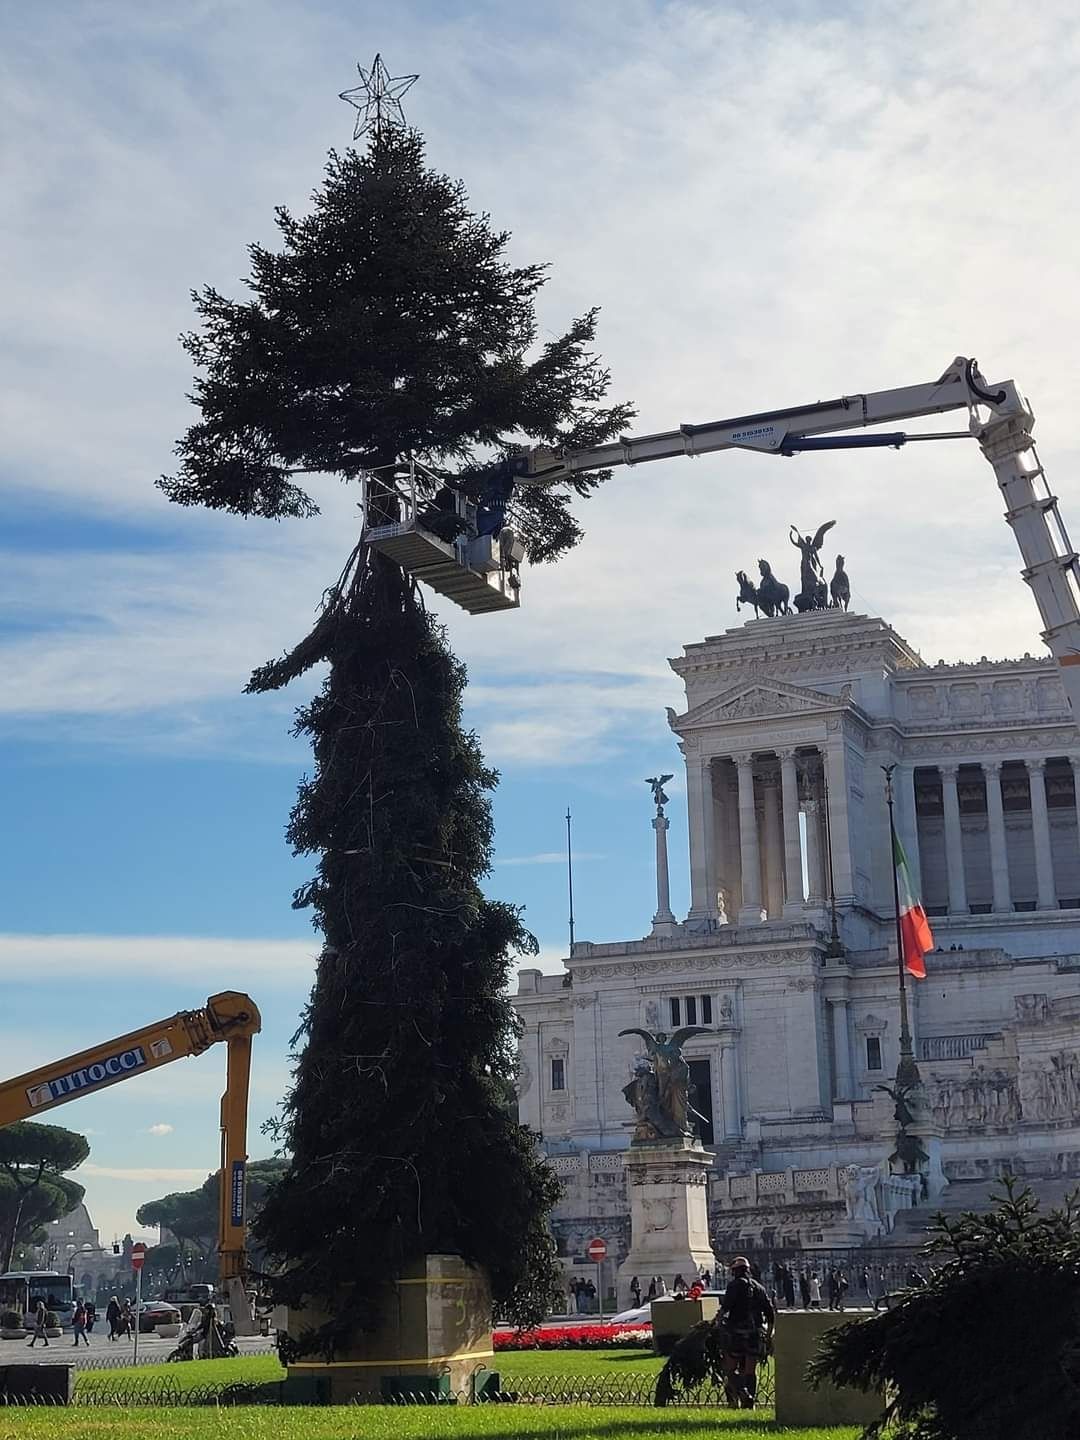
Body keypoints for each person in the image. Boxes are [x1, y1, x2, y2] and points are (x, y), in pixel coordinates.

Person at [719, 1257, 775, 1409]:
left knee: (729, 1369)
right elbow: (770, 1314)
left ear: (735, 1272)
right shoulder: (759, 1288)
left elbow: (725, 1308)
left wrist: (715, 1323)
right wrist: (768, 1337)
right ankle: (750, 1403)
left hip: (735, 1335)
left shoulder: (733, 1286)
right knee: (750, 1371)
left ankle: (740, 1396)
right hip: (755, 1336)